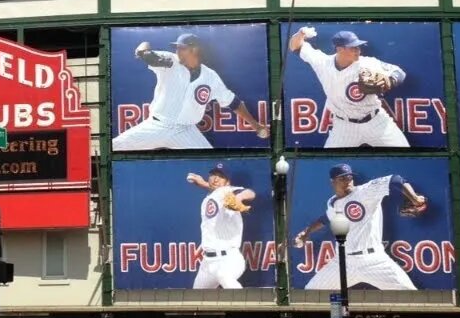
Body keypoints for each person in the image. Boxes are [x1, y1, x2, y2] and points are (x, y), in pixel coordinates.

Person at [112, 33, 269, 151]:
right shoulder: (170, 61)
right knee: (115, 147)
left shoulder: (210, 77)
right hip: (157, 125)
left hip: (185, 130)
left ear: (195, 50)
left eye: (182, 48)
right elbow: (143, 50)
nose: (178, 51)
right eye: (177, 48)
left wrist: (255, 125)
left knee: (211, 163)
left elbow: (233, 103)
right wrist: (144, 51)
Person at [292, 163, 427, 291]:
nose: (348, 180)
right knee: (311, 293)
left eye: (350, 177)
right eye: (342, 178)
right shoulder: (333, 202)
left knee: (409, 295)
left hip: (374, 261)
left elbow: (396, 180)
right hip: (343, 262)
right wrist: (306, 232)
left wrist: (415, 199)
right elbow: (326, 218)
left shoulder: (365, 192)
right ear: (332, 182)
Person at [288, 26, 410, 148]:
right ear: (339, 49)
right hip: (344, 126)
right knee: (330, 159)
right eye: (353, 47)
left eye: (358, 47)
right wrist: (300, 33)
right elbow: (295, 46)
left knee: (404, 151)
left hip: (376, 122)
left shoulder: (367, 63)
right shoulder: (322, 62)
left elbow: (399, 72)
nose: (358, 50)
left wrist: (390, 80)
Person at [185, 164, 256, 289]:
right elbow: (215, 191)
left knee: (225, 277)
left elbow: (250, 193)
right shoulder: (211, 197)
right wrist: (203, 184)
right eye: (213, 175)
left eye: (221, 177)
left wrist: (239, 197)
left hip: (228, 259)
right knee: (196, 299)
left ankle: (248, 307)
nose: (215, 179)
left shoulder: (228, 192)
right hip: (208, 263)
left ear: (228, 182)